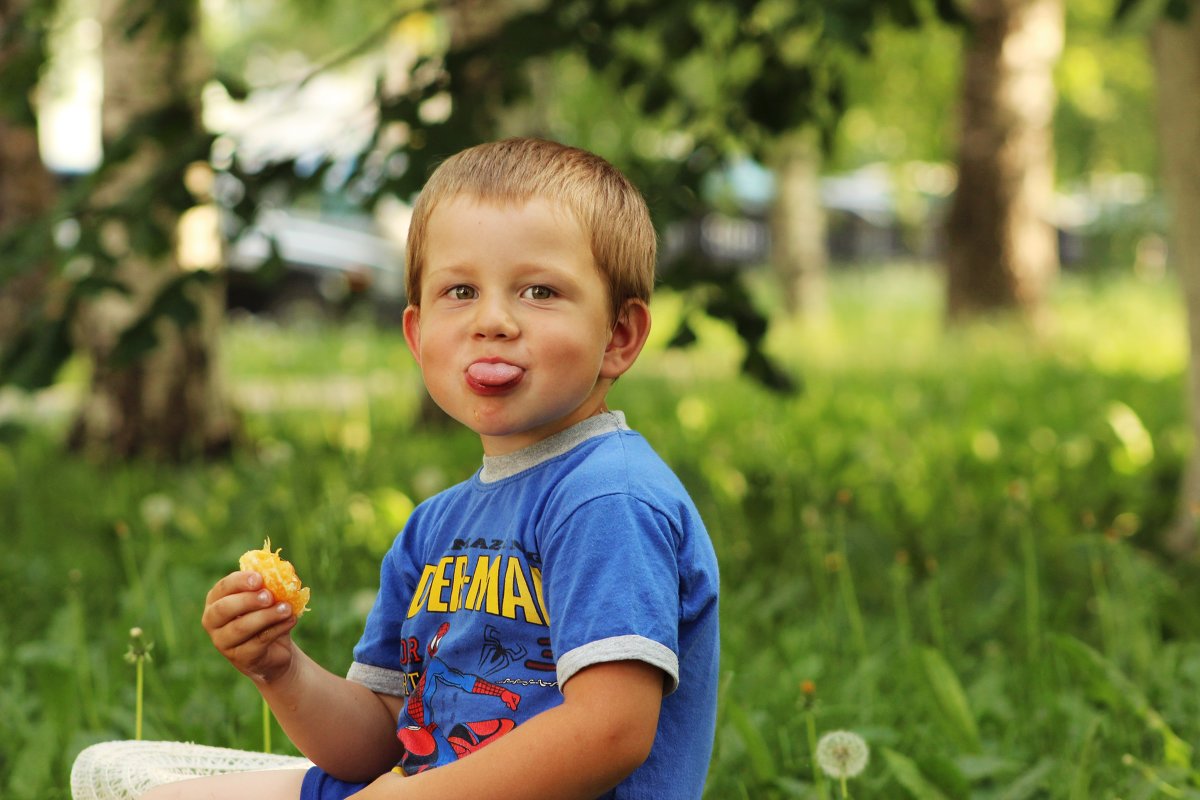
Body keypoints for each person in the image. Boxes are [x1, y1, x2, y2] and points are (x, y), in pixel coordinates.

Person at [141, 137, 720, 800]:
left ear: (618, 337)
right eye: (461, 291)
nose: (493, 321)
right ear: (418, 337)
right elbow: (378, 740)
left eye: (539, 290)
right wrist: (279, 668)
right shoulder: (434, 526)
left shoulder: (606, 496)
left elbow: (611, 731)